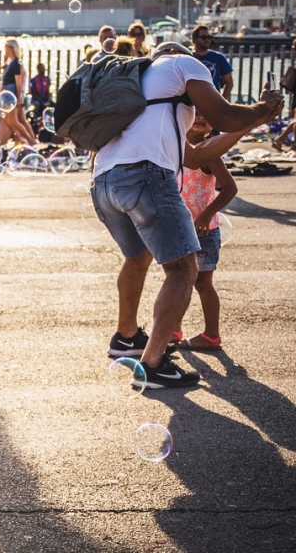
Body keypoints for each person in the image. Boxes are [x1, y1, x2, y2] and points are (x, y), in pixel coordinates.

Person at [91, 41, 281, 388]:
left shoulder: (141, 84)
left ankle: (126, 338)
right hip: (146, 176)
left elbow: (194, 156)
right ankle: (153, 364)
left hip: (104, 181)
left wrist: (254, 121)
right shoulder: (182, 64)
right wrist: (262, 107)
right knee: (183, 269)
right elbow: (224, 115)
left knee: (138, 257)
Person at [171, 113, 240, 351]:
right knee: (177, 280)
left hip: (204, 231)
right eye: (195, 113)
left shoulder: (208, 153)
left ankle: (212, 335)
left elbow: (230, 188)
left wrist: (207, 213)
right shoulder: (174, 148)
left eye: (206, 114)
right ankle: (173, 329)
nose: (200, 117)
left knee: (202, 283)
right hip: (179, 228)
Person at [0, 39, 36, 147]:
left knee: (12, 121)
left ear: (12, 48)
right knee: (10, 120)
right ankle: (17, 141)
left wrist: (19, 97)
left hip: (11, 94)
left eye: (6, 47)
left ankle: (29, 140)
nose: (5, 50)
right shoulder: (10, 62)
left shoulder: (16, 63)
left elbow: (18, 81)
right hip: (7, 94)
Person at [191, 24, 234, 100]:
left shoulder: (219, 58)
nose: (207, 40)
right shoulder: (188, 58)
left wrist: (222, 103)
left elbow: (229, 82)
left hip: (213, 102)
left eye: (209, 37)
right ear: (194, 39)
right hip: (191, 104)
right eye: (204, 37)